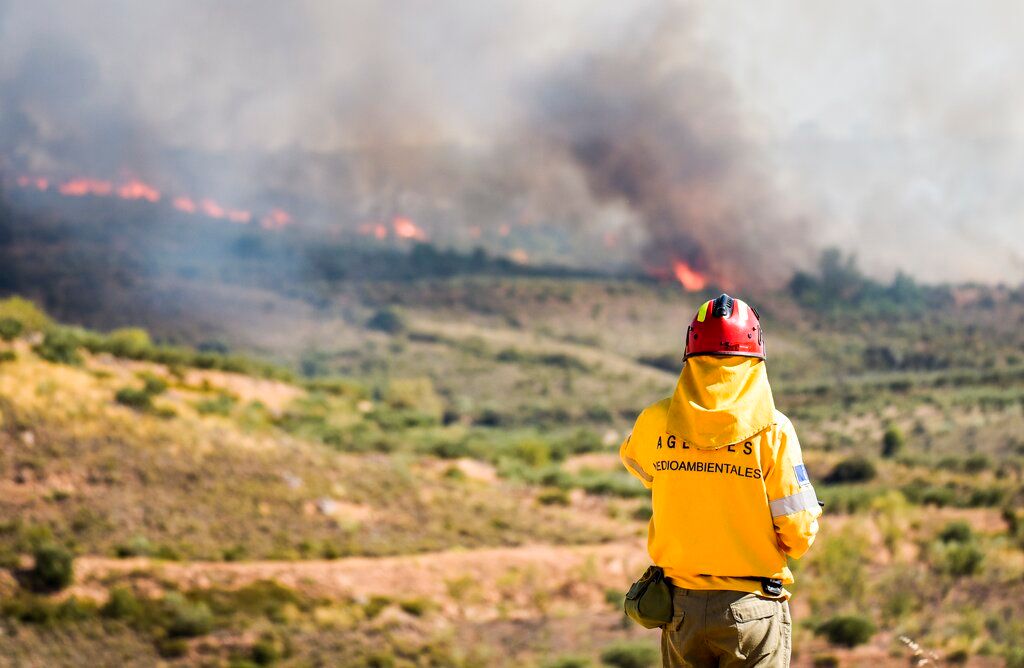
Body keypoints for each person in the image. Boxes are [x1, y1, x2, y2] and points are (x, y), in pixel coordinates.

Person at [619, 294, 821, 667]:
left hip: (680, 613)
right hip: (752, 612)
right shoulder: (774, 431)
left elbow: (639, 466)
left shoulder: (655, 421)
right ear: (755, 354)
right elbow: (798, 534)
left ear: (690, 352)